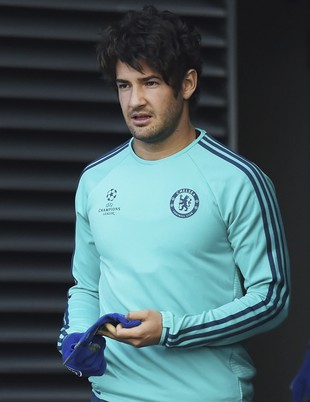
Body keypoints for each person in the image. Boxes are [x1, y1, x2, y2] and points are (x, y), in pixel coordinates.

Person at [57, 5, 290, 402]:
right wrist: (79, 334)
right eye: (124, 85)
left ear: (187, 84)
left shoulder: (238, 180)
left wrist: (171, 329)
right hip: (112, 396)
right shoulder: (96, 179)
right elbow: (86, 285)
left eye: (150, 83)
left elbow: (272, 298)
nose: (135, 102)